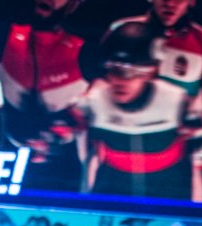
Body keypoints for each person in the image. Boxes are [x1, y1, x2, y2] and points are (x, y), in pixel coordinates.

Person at [108, 0, 202, 203]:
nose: (170, 3)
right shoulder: (120, 30)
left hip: (173, 161)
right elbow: (100, 88)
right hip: (120, 152)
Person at [79, 22, 193, 200]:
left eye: (131, 72)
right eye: (113, 70)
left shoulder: (175, 100)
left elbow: (201, 154)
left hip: (167, 189)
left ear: (150, 72)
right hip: (112, 187)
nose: (119, 81)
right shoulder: (93, 101)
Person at [0, 0, 88, 192]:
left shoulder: (84, 47)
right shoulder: (2, 31)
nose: (38, 144)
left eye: (33, 150)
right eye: (43, 149)